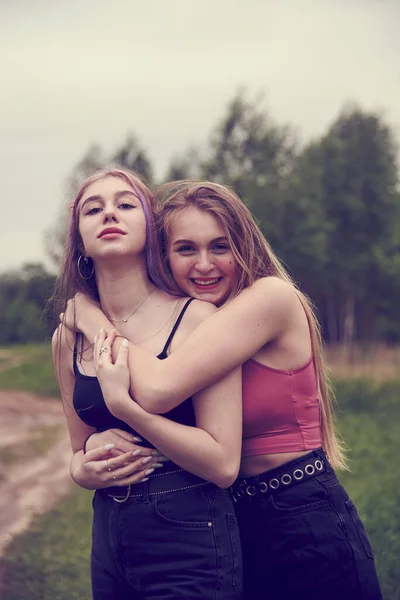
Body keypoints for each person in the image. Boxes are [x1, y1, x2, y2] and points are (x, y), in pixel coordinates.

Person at [67, 179, 383, 600]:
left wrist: (92, 320)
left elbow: (158, 390)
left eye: (220, 247)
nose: (203, 265)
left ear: (245, 248)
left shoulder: (269, 299)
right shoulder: (193, 324)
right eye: (185, 249)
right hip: (227, 517)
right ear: (162, 256)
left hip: (297, 511)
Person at [52, 169, 243, 600]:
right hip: (110, 536)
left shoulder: (196, 318)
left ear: (149, 226)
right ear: (79, 240)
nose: (109, 214)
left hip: (191, 531)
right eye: (93, 208)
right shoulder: (66, 338)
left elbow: (223, 464)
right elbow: (79, 452)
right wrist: (81, 471)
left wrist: (127, 408)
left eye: (125, 204)